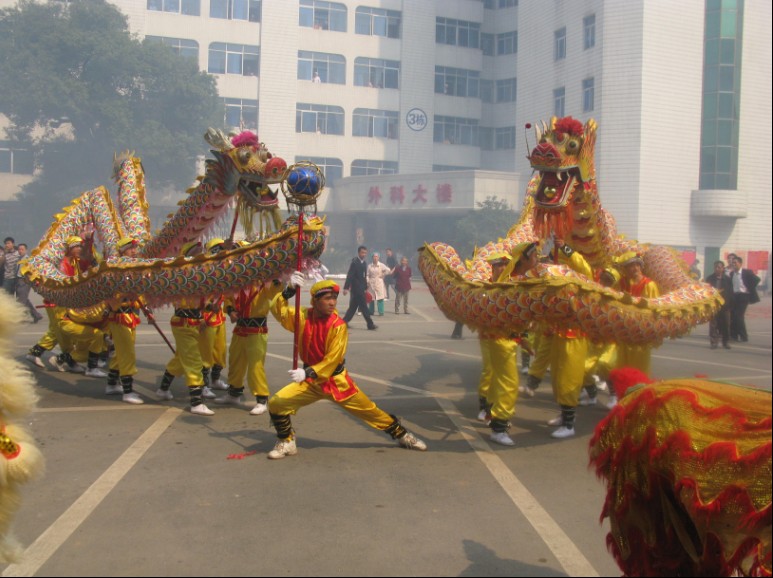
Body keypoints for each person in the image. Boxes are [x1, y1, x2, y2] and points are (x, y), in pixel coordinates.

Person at [265, 274, 427, 459]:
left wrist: (307, 372)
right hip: (310, 381)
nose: (332, 302)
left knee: (370, 411)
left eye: (334, 298)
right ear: (315, 300)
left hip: (335, 381)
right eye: (327, 298)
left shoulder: (338, 325)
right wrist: (289, 291)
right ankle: (287, 441)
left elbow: (332, 359)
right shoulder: (303, 316)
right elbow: (279, 312)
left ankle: (402, 435)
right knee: (277, 403)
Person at [156, 242, 216, 415]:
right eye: (197, 252)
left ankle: (163, 389)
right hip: (184, 322)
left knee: (181, 359)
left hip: (194, 322)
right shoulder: (180, 275)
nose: (201, 255)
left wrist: (209, 307)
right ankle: (196, 402)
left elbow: (199, 301)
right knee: (194, 362)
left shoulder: (198, 273)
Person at [214, 274, 282, 416]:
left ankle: (262, 399)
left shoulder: (264, 282)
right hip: (240, 328)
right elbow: (228, 298)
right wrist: (231, 311)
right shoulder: (237, 281)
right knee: (235, 362)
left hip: (257, 330)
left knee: (255, 366)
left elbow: (277, 292)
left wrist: (285, 283)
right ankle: (234, 394)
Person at [342, 245, 377, 330]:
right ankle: (370, 324)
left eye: (365, 253)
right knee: (364, 307)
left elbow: (363, 276)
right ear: (358, 253)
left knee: (353, 307)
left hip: (361, 288)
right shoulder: (355, 263)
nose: (364, 254)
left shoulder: (364, 263)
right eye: (362, 252)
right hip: (356, 289)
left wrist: (365, 286)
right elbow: (350, 275)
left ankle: (343, 322)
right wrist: (346, 287)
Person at [728, 255, 760, 343]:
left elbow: (757, 279)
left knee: (739, 315)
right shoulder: (732, 273)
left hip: (744, 296)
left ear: (740, 263)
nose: (733, 264)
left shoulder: (746, 272)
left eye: (735, 263)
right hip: (734, 296)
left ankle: (743, 336)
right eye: (732, 263)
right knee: (733, 315)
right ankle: (734, 335)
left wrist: (749, 287)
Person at [704, 260, 733, 349]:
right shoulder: (710, 279)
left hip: (725, 305)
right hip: (713, 305)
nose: (717, 269)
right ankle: (714, 342)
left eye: (719, 267)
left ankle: (725, 342)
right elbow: (706, 292)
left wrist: (729, 304)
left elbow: (731, 292)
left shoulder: (727, 279)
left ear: (723, 268)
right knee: (713, 324)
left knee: (726, 324)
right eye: (716, 267)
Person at [14, 243, 42, 323]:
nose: (20, 251)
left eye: (22, 249)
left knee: (21, 301)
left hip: (25, 281)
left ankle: (22, 317)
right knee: (25, 300)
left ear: (26, 250)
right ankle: (36, 315)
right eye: (19, 249)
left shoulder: (28, 260)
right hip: (18, 280)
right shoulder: (18, 259)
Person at [366, 252, 390, 316]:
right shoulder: (369, 266)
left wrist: (383, 274)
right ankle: (371, 311)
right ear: (372, 257)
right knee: (371, 298)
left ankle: (381, 312)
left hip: (379, 282)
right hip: (371, 283)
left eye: (376, 257)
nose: (375, 258)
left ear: (378, 258)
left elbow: (388, 270)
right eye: (374, 256)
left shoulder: (381, 265)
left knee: (380, 297)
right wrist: (367, 281)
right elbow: (367, 275)